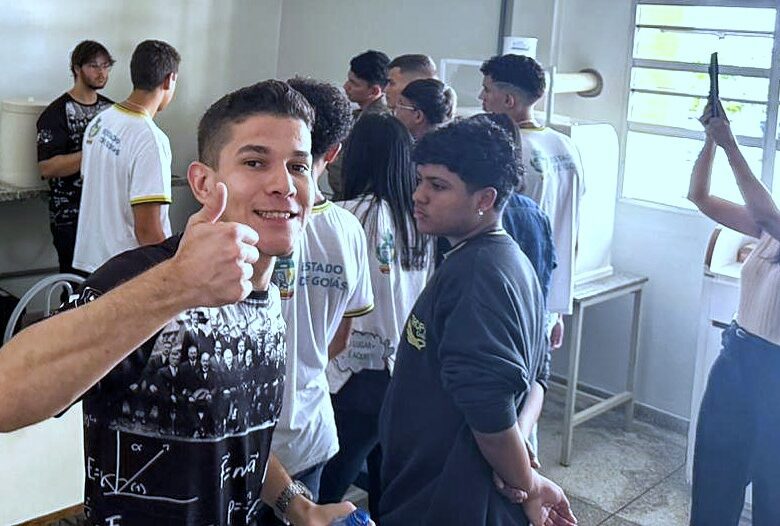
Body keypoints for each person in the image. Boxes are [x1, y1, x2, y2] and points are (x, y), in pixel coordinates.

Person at [0, 80, 362, 526]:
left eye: (298, 166)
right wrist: (177, 285)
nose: (284, 184)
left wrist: (298, 505)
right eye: (255, 162)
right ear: (204, 184)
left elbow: (229, 430)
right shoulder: (141, 279)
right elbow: (6, 394)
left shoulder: (262, 293)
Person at [378, 117, 576, 526]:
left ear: (484, 199)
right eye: (420, 180)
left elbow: (489, 409)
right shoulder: (504, 257)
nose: (418, 195)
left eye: (438, 186)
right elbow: (538, 376)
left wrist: (525, 482)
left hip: (451, 497)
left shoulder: (477, 277)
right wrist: (519, 446)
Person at [257, 78, 374, 525]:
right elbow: (341, 337)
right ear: (336, 151)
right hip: (309, 428)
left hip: (250, 439)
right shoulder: (349, 229)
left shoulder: (250, 221)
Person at [319, 113, 432, 517]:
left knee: (326, 489)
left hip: (351, 374)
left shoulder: (344, 216)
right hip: (403, 371)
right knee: (389, 484)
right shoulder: (420, 222)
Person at [688, 102, 780, 525]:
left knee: (773, 500)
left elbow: (764, 213)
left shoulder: (771, 223)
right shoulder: (769, 232)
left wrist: (730, 144)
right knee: (714, 485)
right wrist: (710, 139)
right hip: (737, 360)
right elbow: (700, 196)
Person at [479, 53, 585, 351]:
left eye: (487, 89)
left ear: (509, 100)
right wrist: (559, 308)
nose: (481, 97)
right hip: (548, 291)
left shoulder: (508, 150)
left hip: (510, 291)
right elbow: (573, 227)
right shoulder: (566, 145)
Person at [73, 39, 180, 273]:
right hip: (126, 273)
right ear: (169, 79)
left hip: (92, 265)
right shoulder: (150, 139)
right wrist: (171, 274)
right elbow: (148, 231)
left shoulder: (101, 121)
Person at [36, 40, 114, 275]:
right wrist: (93, 152)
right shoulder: (56, 113)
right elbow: (48, 168)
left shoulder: (113, 111)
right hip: (71, 218)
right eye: (94, 66)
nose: (101, 73)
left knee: (109, 282)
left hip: (107, 215)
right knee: (74, 283)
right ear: (77, 69)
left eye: (106, 66)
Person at [329, 50, 390, 198]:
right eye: (348, 80)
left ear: (374, 91)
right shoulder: (357, 115)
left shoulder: (378, 125)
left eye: (354, 83)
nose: (346, 86)